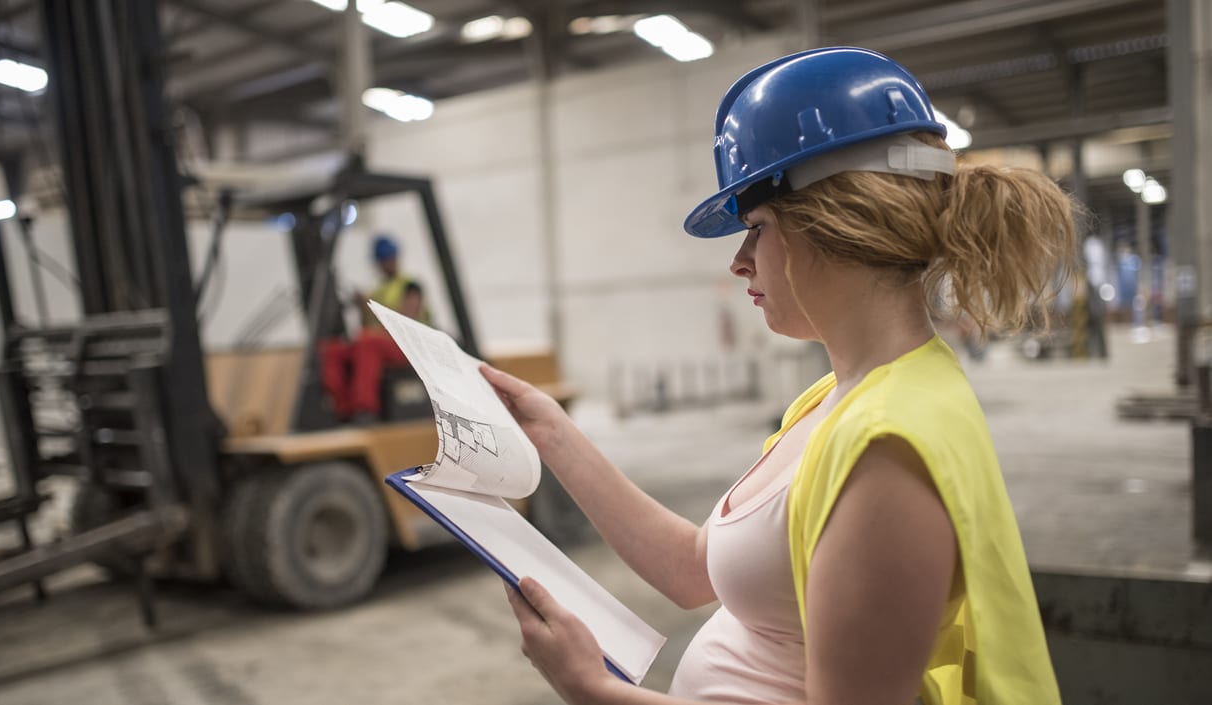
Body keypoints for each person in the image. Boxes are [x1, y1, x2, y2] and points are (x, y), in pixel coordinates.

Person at [480, 46, 1074, 705]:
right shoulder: (844, 397)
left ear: (839, 224)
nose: (740, 261)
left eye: (756, 227)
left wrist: (592, 689)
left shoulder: (888, 455)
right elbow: (695, 567)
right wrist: (550, 428)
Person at [320, 234, 429, 422]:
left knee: (367, 342)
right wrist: (363, 306)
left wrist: (373, 309)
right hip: (380, 344)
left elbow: (407, 322)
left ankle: (365, 410)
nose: (388, 263)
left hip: (409, 346)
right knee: (332, 349)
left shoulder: (410, 286)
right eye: (384, 260)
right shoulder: (376, 291)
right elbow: (365, 327)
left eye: (390, 258)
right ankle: (342, 408)